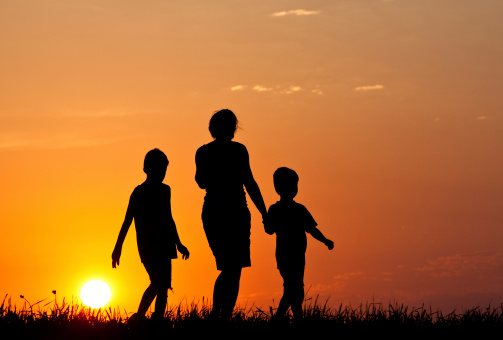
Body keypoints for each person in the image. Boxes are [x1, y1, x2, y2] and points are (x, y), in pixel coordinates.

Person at [195, 109, 268, 320]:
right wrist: (263, 212)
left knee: (230, 267)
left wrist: (264, 212)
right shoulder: (238, 150)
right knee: (232, 268)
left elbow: (201, 182)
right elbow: (250, 182)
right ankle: (220, 315)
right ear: (233, 128)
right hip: (234, 211)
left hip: (216, 212)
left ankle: (221, 315)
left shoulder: (203, 152)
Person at [112, 148, 189, 321]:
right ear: (147, 169)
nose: (162, 173)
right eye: (159, 169)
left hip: (164, 244)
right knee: (158, 283)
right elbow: (127, 221)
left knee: (162, 285)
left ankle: (156, 320)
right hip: (148, 246)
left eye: (164, 170)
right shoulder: (138, 192)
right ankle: (140, 317)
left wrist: (178, 243)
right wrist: (118, 247)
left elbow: (169, 218)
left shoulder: (165, 190)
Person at [265, 167, 334, 320]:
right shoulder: (284, 210)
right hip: (288, 256)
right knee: (293, 289)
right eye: (293, 184)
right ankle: (285, 319)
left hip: (295, 256)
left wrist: (325, 241)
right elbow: (270, 230)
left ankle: (293, 319)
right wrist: (326, 241)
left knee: (294, 289)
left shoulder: (288, 209)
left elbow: (311, 229)